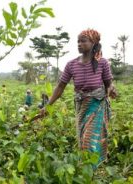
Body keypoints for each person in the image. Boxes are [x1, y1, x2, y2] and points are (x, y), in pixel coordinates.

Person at [41, 28, 117, 165]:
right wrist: (48, 105)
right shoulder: (71, 65)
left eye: (83, 41)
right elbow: (60, 87)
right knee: (82, 139)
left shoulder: (102, 63)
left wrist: (111, 89)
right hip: (81, 105)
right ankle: (88, 171)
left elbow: (108, 84)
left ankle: (89, 169)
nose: (79, 44)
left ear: (93, 43)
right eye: (78, 41)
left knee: (89, 140)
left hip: (97, 105)